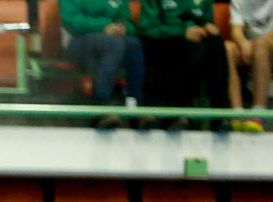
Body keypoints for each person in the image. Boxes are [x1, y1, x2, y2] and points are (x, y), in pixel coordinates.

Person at [137, 0, 230, 131]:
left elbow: (205, 20)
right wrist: (182, 31)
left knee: (215, 42)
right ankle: (177, 114)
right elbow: (146, 28)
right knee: (187, 47)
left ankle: (221, 116)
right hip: (160, 41)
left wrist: (208, 26)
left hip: (195, 42)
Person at [60, 0, 148, 129]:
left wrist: (123, 28)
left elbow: (127, 21)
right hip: (77, 41)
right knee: (113, 44)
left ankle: (134, 105)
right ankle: (101, 106)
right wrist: (104, 26)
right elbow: (71, 21)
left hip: (112, 39)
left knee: (134, 44)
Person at [227, 0, 273, 131]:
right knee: (227, 49)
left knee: (261, 45)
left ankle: (258, 114)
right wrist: (242, 43)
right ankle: (237, 114)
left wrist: (256, 46)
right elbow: (236, 30)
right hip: (250, 46)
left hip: (268, 44)